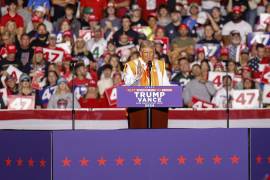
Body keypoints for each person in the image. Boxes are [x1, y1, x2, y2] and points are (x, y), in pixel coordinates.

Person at [123, 40, 170, 129]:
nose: (149, 55)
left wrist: (171, 94)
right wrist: (137, 76)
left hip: (159, 107)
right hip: (137, 108)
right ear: (140, 52)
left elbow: (166, 85)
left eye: (151, 52)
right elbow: (127, 87)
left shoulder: (160, 64)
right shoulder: (131, 65)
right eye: (146, 53)